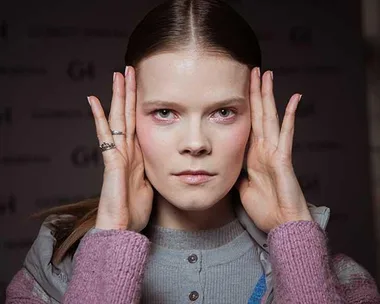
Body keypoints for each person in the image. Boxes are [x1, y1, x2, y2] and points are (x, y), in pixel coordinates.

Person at [6, 0, 380, 303]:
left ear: (258, 117)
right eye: (165, 112)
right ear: (128, 116)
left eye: (223, 112)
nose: (196, 143)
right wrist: (111, 238)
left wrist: (295, 232)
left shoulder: (343, 283)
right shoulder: (49, 276)